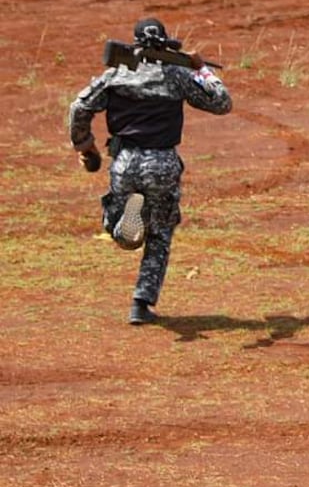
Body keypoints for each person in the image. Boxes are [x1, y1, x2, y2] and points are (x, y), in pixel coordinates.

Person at [68, 17, 233, 324]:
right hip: (162, 164)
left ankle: (124, 233)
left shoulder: (117, 73)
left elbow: (79, 107)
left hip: (124, 161)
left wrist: (85, 147)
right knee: (160, 233)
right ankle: (140, 304)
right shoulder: (176, 75)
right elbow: (221, 103)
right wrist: (201, 69)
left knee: (116, 225)